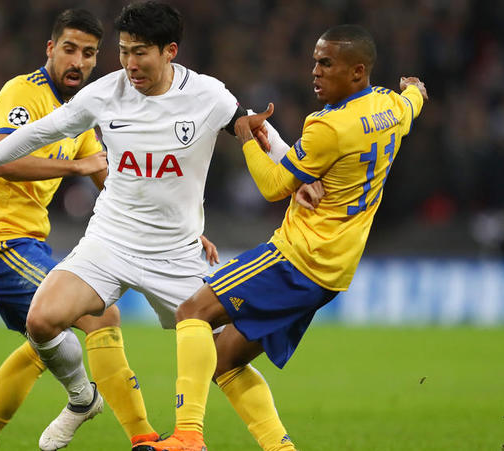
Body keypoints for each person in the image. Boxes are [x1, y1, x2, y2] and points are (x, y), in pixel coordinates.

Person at [0, 2, 320, 448]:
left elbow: (259, 132)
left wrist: (298, 178)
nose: (130, 64)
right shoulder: (104, 95)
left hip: (175, 252)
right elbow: (35, 134)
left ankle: (280, 446)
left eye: (141, 53)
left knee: (225, 361)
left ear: (170, 51)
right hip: (109, 242)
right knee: (41, 320)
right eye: (124, 51)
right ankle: (86, 402)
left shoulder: (207, 96)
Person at [133, 24, 428, 451]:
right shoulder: (392, 108)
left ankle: (186, 438)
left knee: (191, 312)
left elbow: (274, 186)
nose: (315, 71)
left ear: (358, 71)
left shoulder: (329, 126)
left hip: (296, 257)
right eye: (314, 60)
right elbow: (413, 100)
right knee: (222, 360)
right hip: (332, 271)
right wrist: (415, 88)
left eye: (326, 63)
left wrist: (246, 137)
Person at [0, 9, 167, 450]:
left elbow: (112, 183)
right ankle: (140, 436)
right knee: (100, 312)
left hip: (28, 242)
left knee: (43, 341)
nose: (78, 62)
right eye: (69, 49)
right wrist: (75, 165)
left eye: (88, 54)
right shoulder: (23, 93)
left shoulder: (80, 113)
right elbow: (2, 158)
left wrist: (172, 224)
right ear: (50, 49)